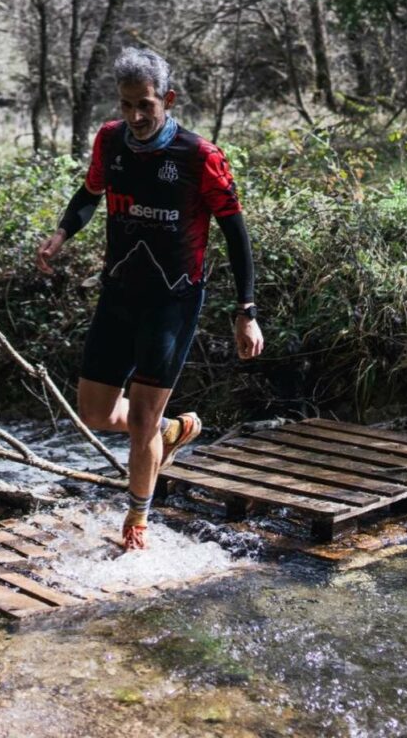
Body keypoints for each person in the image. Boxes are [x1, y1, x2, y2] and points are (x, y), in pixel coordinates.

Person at [36, 48, 263, 552]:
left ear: (169, 99)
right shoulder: (110, 141)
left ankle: (137, 520)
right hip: (117, 293)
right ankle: (169, 430)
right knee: (95, 412)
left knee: (138, 422)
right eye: (126, 105)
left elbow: (236, 234)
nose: (135, 117)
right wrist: (62, 234)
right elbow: (89, 193)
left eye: (146, 105)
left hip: (172, 302)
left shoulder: (200, 157)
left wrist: (246, 313)